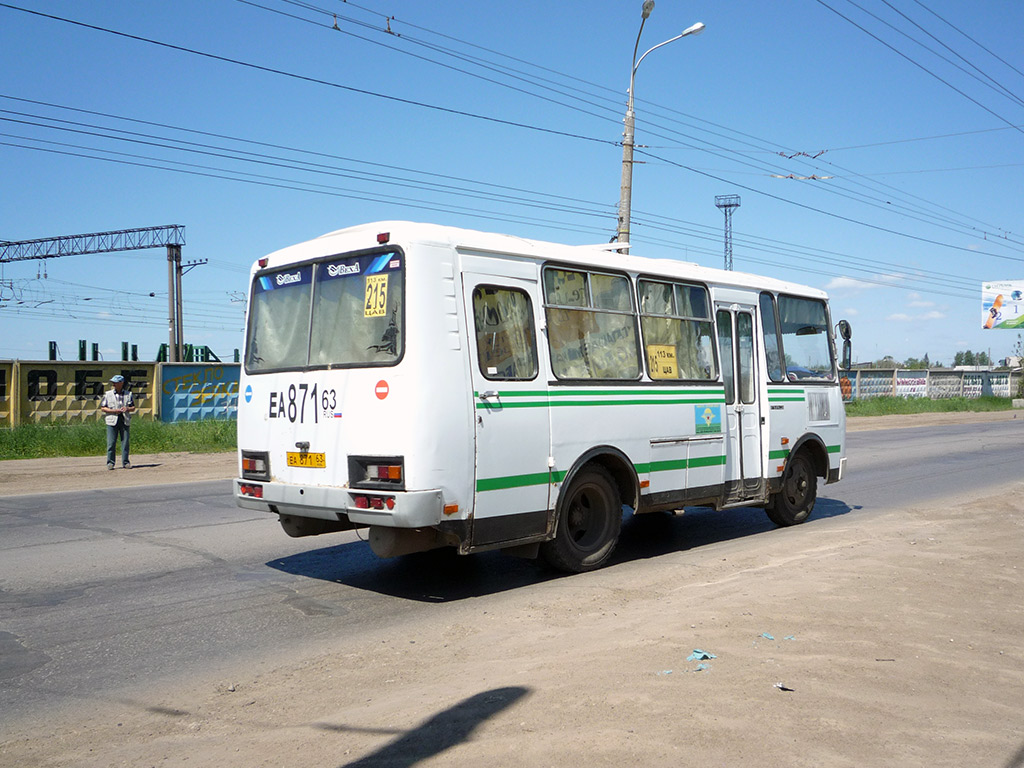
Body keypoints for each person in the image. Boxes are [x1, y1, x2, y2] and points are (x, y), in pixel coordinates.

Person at [101, 374, 136, 469]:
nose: (113, 384)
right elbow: (103, 408)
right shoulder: (108, 394)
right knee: (111, 442)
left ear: (121, 383)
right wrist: (114, 411)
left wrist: (127, 409)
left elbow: (133, 408)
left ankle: (125, 462)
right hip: (112, 420)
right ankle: (110, 462)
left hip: (124, 420)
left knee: (125, 442)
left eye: (115, 382)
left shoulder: (128, 394)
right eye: (113, 382)